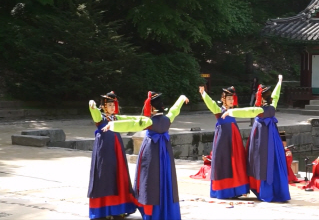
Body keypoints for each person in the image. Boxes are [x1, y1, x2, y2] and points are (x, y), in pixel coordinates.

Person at [102, 91, 189, 220]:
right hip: (165, 153)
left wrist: (112, 125)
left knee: (149, 181)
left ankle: (151, 213)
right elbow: (175, 110)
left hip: (151, 153)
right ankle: (167, 212)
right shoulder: (167, 119)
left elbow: (132, 123)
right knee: (165, 179)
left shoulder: (149, 121)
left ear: (152, 107)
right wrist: (181, 98)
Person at [223, 75, 290, 202]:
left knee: (261, 161)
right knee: (274, 159)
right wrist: (279, 82)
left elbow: (247, 111)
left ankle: (263, 190)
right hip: (273, 136)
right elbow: (276, 96)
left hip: (262, 137)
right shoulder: (272, 107)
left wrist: (230, 112)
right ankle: (278, 190)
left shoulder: (260, 110)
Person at [88, 91, 137, 219]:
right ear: (103, 106)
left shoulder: (116, 118)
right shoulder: (101, 118)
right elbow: (94, 112)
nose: (112, 107)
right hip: (104, 150)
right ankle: (103, 211)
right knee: (105, 178)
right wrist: (91, 105)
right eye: (109, 105)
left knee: (119, 177)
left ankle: (118, 209)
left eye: (113, 105)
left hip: (117, 150)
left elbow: (131, 121)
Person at [199, 86, 249, 199]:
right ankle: (224, 191)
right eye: (229, 99)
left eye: (232, 98)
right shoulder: (219, 111)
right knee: (224, 163)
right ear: (223, 99)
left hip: (234, 140)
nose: (231, 101)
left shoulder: (233, 111)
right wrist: (203, 94)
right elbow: (211, 104)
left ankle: (237, 189)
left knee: (236, 163)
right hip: (223, 140)